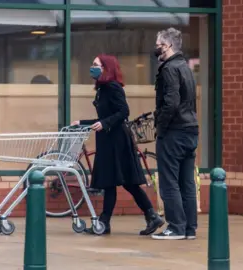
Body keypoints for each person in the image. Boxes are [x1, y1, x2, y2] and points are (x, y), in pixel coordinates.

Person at [71, 54, 164, 236]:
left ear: (106, 68)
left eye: (96, 64)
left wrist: (105, 124)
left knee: (121, 182)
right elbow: (105, 116)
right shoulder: (102, 89)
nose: (92, 67)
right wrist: (82, 122)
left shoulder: (113, 87)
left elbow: (124, 111)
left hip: (117, 141)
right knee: (113, 182)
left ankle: (118, 221)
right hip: (109, 140)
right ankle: (146, 217)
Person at [152, 28, 199, 240]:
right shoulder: (186, 68)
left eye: (159, 44)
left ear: (168, 46)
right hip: (190, 130)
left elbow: (171, 102)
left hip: (174, 131)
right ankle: (189, 228)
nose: (156, 48)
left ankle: (176, 227)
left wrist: (160, 126)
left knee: (169, 181)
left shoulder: (169, 68)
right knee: (187, 182)